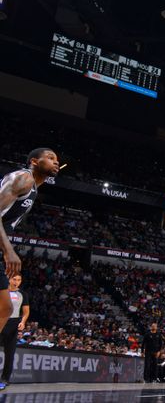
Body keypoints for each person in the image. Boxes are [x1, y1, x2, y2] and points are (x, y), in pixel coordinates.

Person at [0, 147, 59, 390]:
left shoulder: (33, 186)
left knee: (4, 306)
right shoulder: (22, 178)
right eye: (51, 157)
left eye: (57, 159)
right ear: (34, 161)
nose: (57, 161)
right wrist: (9, 250)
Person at [0, 273, 28, 388]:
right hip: (2, 321)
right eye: (14, 279)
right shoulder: (2, 291)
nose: (16, 281)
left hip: (13, 324)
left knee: (10, 354)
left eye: (19, 279)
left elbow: (26, 311)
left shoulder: (23, 294)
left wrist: (23, 322)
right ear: (9, 279)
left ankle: (5, 379)